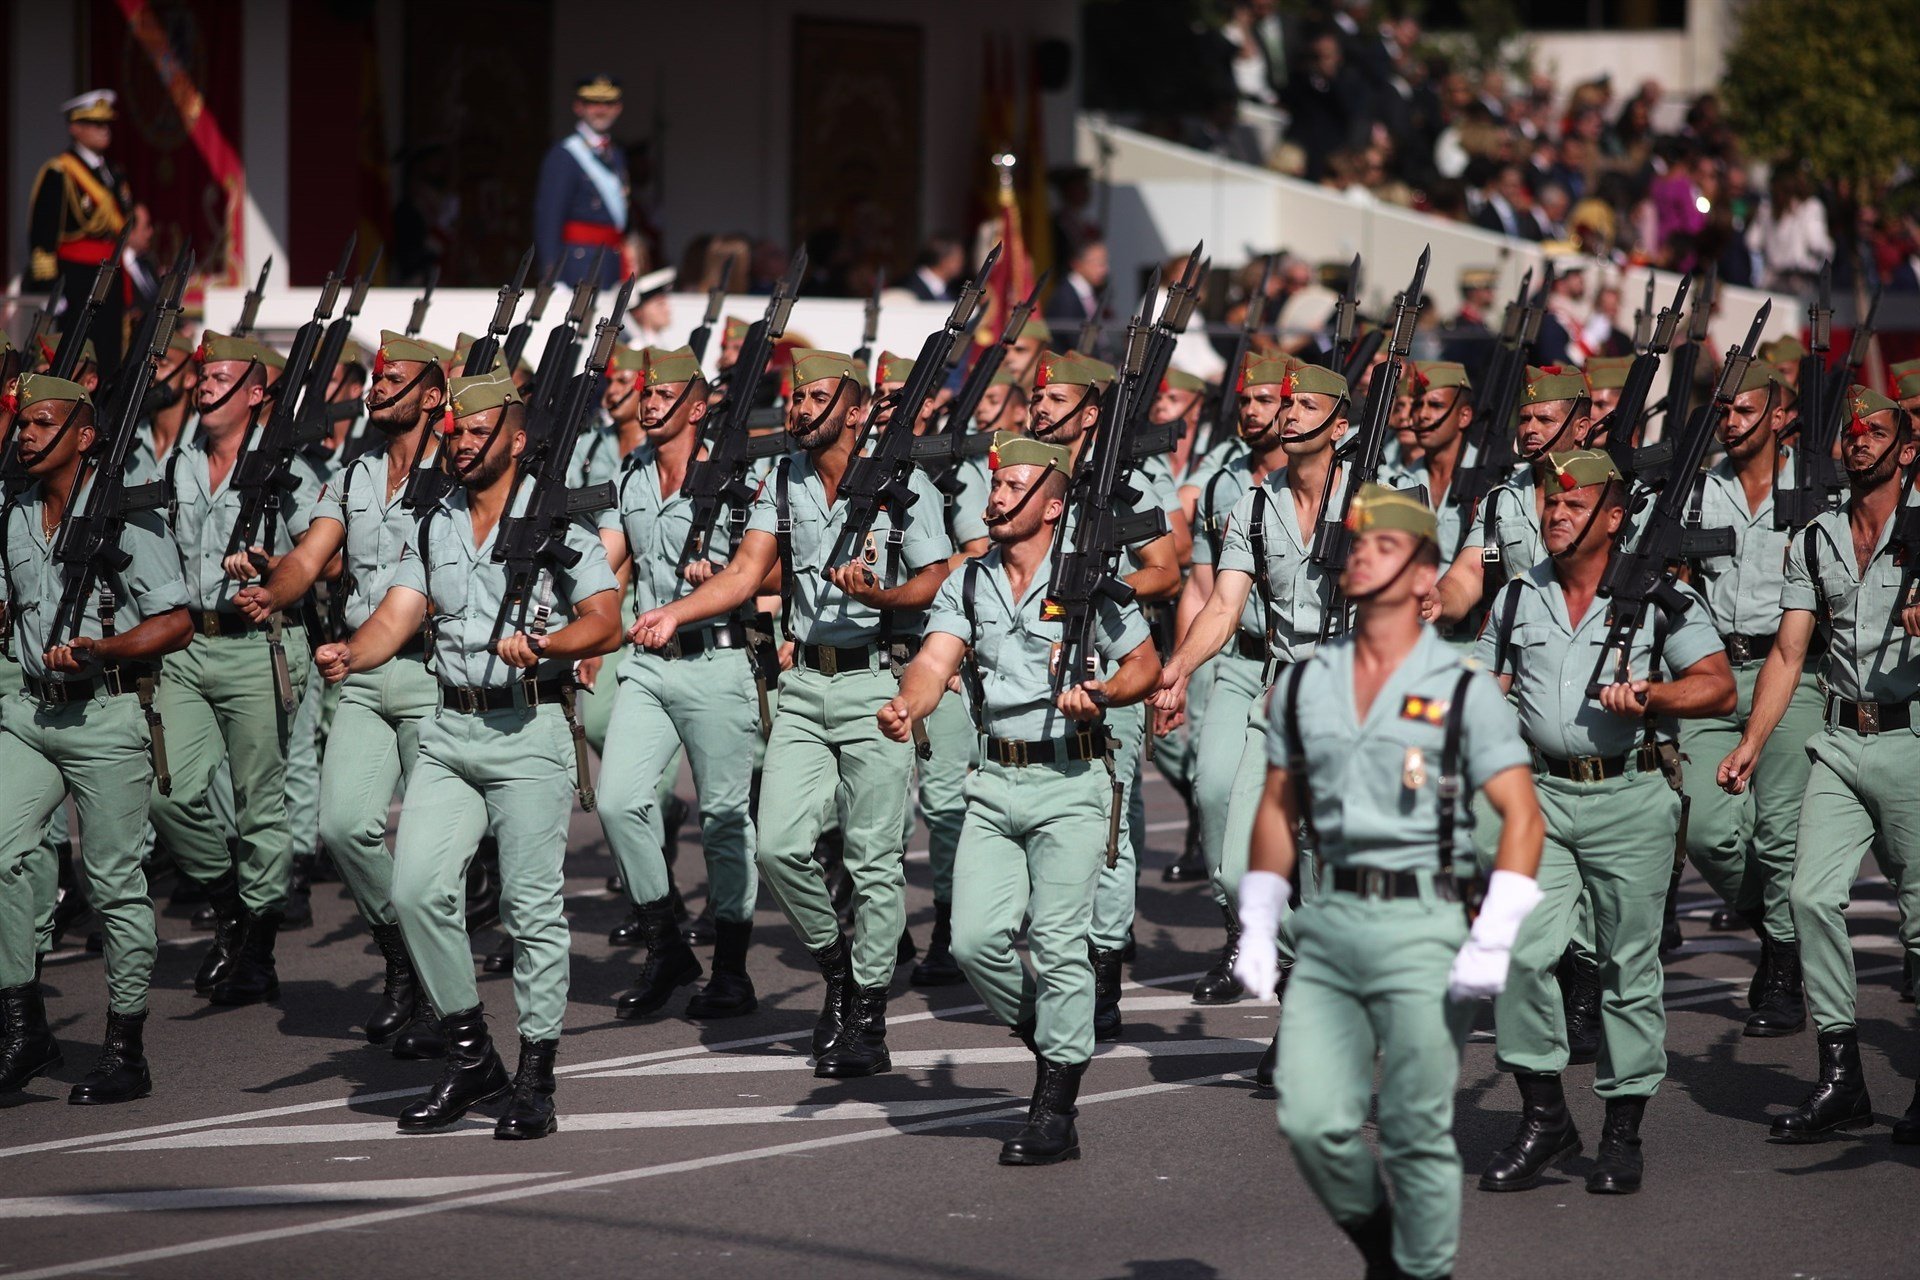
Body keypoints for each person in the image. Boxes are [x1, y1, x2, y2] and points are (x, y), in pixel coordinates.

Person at [1238, 482, 1544, 1280]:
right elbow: (1278, 803)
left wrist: (1495, 933)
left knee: (1411, 1129)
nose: (1362, 554)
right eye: (1357, 544)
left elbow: (1521, 816)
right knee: (1311, 1120)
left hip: (1425, 924)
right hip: (1332, 923)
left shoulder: (1465, 690)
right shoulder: (1304, 684)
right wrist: (1261, 916)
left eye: (1387, 546)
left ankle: (1425, 1272)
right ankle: (1384, 1250)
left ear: (1424, 580)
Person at [631, 349, 954, 1078]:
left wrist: (880, 597)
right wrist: (672, 613)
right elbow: (746, 573)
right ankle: (837, 970)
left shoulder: (904, 482)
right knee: (776, 846)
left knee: (872, 861)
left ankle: (867, 1015)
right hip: (804, 687)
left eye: (816, 398)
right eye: (796, 398)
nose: (801, 409)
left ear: (857, 407)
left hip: (879, 684)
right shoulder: (783, 477)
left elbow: (935, 579)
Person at [316, 367, 621, 1139]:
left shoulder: (554, 522)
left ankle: (536, 1077)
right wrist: (354, 653)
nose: (463, 445)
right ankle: (472, 1052)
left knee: (530, 909)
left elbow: (604, 619)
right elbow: (400, 610)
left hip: (529, 731)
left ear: (516, 441)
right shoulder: (434, 520)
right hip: (450, 730)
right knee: (417, 890)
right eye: (456, 433)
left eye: (480, 434)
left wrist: (549, 645)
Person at [881, 433, 1161, 1163]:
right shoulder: (969, 582)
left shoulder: (1089, 580)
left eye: (1014, 487)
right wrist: (907, 704)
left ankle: (1053, 1108)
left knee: (1060, 943)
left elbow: (1144, 665)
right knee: (974, 942)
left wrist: (1102, 694)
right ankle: (1055, 1033)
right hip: (995, 782)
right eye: (996, 485)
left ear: (1054, 505)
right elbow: (933, 660)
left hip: (1073, 783)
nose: (997, 497)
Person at [1475, 449, 1733, 1195]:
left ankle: (1622, 1131)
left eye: (1573, 503)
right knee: (1522, 955)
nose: (1555, 513)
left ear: (1614, 518)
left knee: (1627, 971)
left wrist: (1652, 695)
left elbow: (1717, 690)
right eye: (1550, 504)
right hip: (1541, 799)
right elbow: (1491, 685)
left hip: (1630, 797)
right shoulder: (1519, 597)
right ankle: (1546, 1118)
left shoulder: (1658, 598)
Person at [230, 330, 451, 1057]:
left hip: (435, 672)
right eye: (376, 379)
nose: (378, 388)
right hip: (357, 671)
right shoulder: (354, 476)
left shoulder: (456, 475)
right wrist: (273, 590)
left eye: (396, 380)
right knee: (344, 826)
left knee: (426, 851)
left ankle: (441, 1000)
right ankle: (402, 961)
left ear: (433, 394)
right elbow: (308, 557)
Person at [1718, 385, 1920, 1144]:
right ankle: (1842, 1079)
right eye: (1851, 431)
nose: (1859, 439)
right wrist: (1754, 741)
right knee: (1808, 898)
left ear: (1906, 449)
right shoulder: (1814, 538)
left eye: (1877, 431)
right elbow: (1789, 651)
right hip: (1838, 740)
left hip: (1912, 739)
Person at [0, 374, 192, 1103]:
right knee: (3, 855)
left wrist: (105, 650)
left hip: (105, 716)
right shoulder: (13, 512)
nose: (25, 434)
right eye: (21, 423)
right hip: (29, 713)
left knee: (113, 883)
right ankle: (25, 1028)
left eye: (42, 423)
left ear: (83, 435)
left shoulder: (123, 514)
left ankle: (125, 1050)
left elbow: (175, 620)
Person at [1153, 360, 1347, 1063]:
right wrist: (1177, 668)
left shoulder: (1374, 507)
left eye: (1304, 405)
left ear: (1341, 424)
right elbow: (1225, 606)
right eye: (1284, 405)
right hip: (1275, 694)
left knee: (1328, 875)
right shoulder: (1254, 506)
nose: (1289, 415)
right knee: (1239, 870)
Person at [149, 332, 342, 1008]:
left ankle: (256, 948)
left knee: (262, 801)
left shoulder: (286, 469)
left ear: (256, 393)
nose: (204, 386)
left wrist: (271, 568)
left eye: (221, 377)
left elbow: (330, 560)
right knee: (167, 794)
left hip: (259, 646)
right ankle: (232, 906)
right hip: (186, 647)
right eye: (203, 376)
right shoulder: (177, 465)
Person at [595, 346, 765, 1020]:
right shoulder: (630, 473)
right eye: (647, 393)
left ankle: (730, 969)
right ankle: (667, 943)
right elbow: (610, 560)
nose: (652, 402)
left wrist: (690, 601)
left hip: (716, 662)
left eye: (666, 395)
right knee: (617, 802)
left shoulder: (735, 478)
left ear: (697, 406)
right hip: (646, 664)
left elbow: (751, 571)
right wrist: (579, 626)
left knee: (725, 822)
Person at [1677, 362, 1819, 1036]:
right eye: (1723, 411)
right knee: (1706, 829)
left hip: (1791, 673)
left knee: (1778, 833)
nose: (1729, 423)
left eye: (1743, 411)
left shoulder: (1818, 489)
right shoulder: (1699, 491)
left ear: (1782, 415)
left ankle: (1784, 966)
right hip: (1716, 676)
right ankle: (1777, 924)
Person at [26, 91, 135, 376]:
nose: (104, 130)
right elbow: (43, 235)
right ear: (75, 127)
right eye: (95, 124)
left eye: (106, 124)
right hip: (75, 279)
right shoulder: (60, 172)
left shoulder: (113, 171)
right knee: (77, 355)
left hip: (109, 274)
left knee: (110, 355)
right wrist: (53, 288)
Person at [533, 75, 631, 287]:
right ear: (579, 107)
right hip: (577, 267)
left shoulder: (616, 153)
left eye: (608, 104)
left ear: (618, 108)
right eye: (593, 103)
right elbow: (549, 218)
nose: (600, 110)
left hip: (611, 262)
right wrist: (553, 275)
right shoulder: (565, 154)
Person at [906, 235, 964, 303]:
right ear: (945, 260)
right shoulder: (908, 288)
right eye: (959, 258)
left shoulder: (951, 290)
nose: (962, 263)